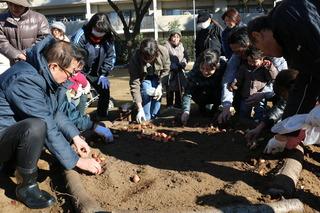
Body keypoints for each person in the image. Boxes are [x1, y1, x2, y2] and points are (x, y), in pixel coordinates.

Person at [0, 38, 102, 208]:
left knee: (37, 125)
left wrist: (75, 137)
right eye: (70, 73)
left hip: (7, 134)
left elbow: (54, 112)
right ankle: (26, 187)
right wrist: (77, 161)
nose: (71, 78)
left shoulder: (42, 74)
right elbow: (46, 122)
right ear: (54, 66)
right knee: (36, 127)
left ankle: (11, 165)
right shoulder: (25, 79)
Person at [71, 13, 116, 120]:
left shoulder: (109, 38)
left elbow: (111, 57)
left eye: (102, 31)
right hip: (81, 71)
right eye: (97, 30)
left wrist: (104, 74)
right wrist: (79, 76)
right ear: (92, 25)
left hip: (98, 72)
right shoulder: (81, 35)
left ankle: (102, 116)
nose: (99, 34)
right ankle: (77, 118)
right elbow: (74, 56)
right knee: (80, 94)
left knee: (105, 90)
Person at [245, 69, 299, 146]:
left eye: (284, 95)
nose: (284, 98)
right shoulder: (290, 94)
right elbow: (280, 108)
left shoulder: (308, 93)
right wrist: (259, 128)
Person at [228, 46, 278, 121]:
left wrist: (270, 67)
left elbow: (273, 77)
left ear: (262, 59)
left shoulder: (264, 68)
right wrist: (234, 85)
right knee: (244, 111)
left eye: (254, 62)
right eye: (249, 61)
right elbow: (238, 78)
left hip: (259, 95)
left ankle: (257, 123)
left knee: (259, 111)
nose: (251, 64)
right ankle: (243, 123)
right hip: (246, 95)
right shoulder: (244, 67)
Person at [129, 38, 170, 123]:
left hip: (158, 76)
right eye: (145, 59)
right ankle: (146, 117)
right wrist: (140, 109)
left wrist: (160, 86)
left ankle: (155, 116)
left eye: (150, 59)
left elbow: (166, 70)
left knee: (157, 94)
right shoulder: (135, 58)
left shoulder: (163, 51)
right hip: (144, 77)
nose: (148, 61)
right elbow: (135, 83)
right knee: (146, 88)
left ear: (156, 53)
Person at [181, 49, 225, 125]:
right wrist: (186, 111)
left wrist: (222, 108)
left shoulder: (223, 68)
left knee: (213, 110)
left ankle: (216, 108)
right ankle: (202, 106)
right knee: (205, 111)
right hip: (200, 94)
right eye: (202, 68)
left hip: (216, 93)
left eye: (209, 70)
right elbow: (188, 94)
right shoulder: (194, 74)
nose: (205, 72)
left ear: (216, 66)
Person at [0, 0, 49, 65]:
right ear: (7, 3)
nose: (14, 8)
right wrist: (17, 54)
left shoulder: (39, 18)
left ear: (25, 5)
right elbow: (2, 42)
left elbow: (44, 39)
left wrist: (27, 53)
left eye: (19, 5)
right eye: (11, 4)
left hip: (36, 61)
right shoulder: (1, 19)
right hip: (14, 63)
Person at [164, 29, 189, 108]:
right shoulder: (166, 46)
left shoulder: (182, 46)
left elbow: (186, 57)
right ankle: (170, 105)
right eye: (174, 37)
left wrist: (183, 63)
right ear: (170, 38)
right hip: (170, 71)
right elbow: (164, 58)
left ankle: (178, 104)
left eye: (178, 37)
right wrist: (171, 65)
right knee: (170, 88)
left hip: (179, 70)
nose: (176, 39)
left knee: (179, 88)